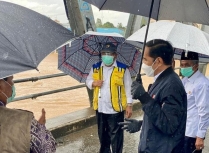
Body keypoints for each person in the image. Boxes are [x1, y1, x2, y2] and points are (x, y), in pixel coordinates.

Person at [119, 39, 187, 153]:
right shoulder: (161, 79)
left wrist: (144, 97)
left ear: (158, 61)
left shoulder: (172, 85)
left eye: (145, 59)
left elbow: (169, 125)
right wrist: (142, 123)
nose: (143, 63)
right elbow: (160, 112)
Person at [86, 42, 133, 153]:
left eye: (109, 53)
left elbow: (128, 88)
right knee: (103, 136)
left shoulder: (122, 69)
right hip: (101, 108)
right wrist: (93, 83)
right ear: (101, 55)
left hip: (115, 110)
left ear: (115, 55)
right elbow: (88, 80)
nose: (106, 56)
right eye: (104, 53)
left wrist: (129, 105)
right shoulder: (96, 67)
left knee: (116, 137)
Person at [0, 76, 56, 153]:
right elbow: (48, 149)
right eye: (11, 80)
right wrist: (41, 128)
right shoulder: (25, 121)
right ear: (0, 87)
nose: (12, 84)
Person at [180, 51, 209, 153]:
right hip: (182, 129)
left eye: (187, 65)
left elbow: (204, 111)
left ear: (196, 66)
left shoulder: (202, 84)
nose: (183, 68)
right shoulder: (185, 80)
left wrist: (200, 136)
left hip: (192, 133)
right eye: (182, 65)